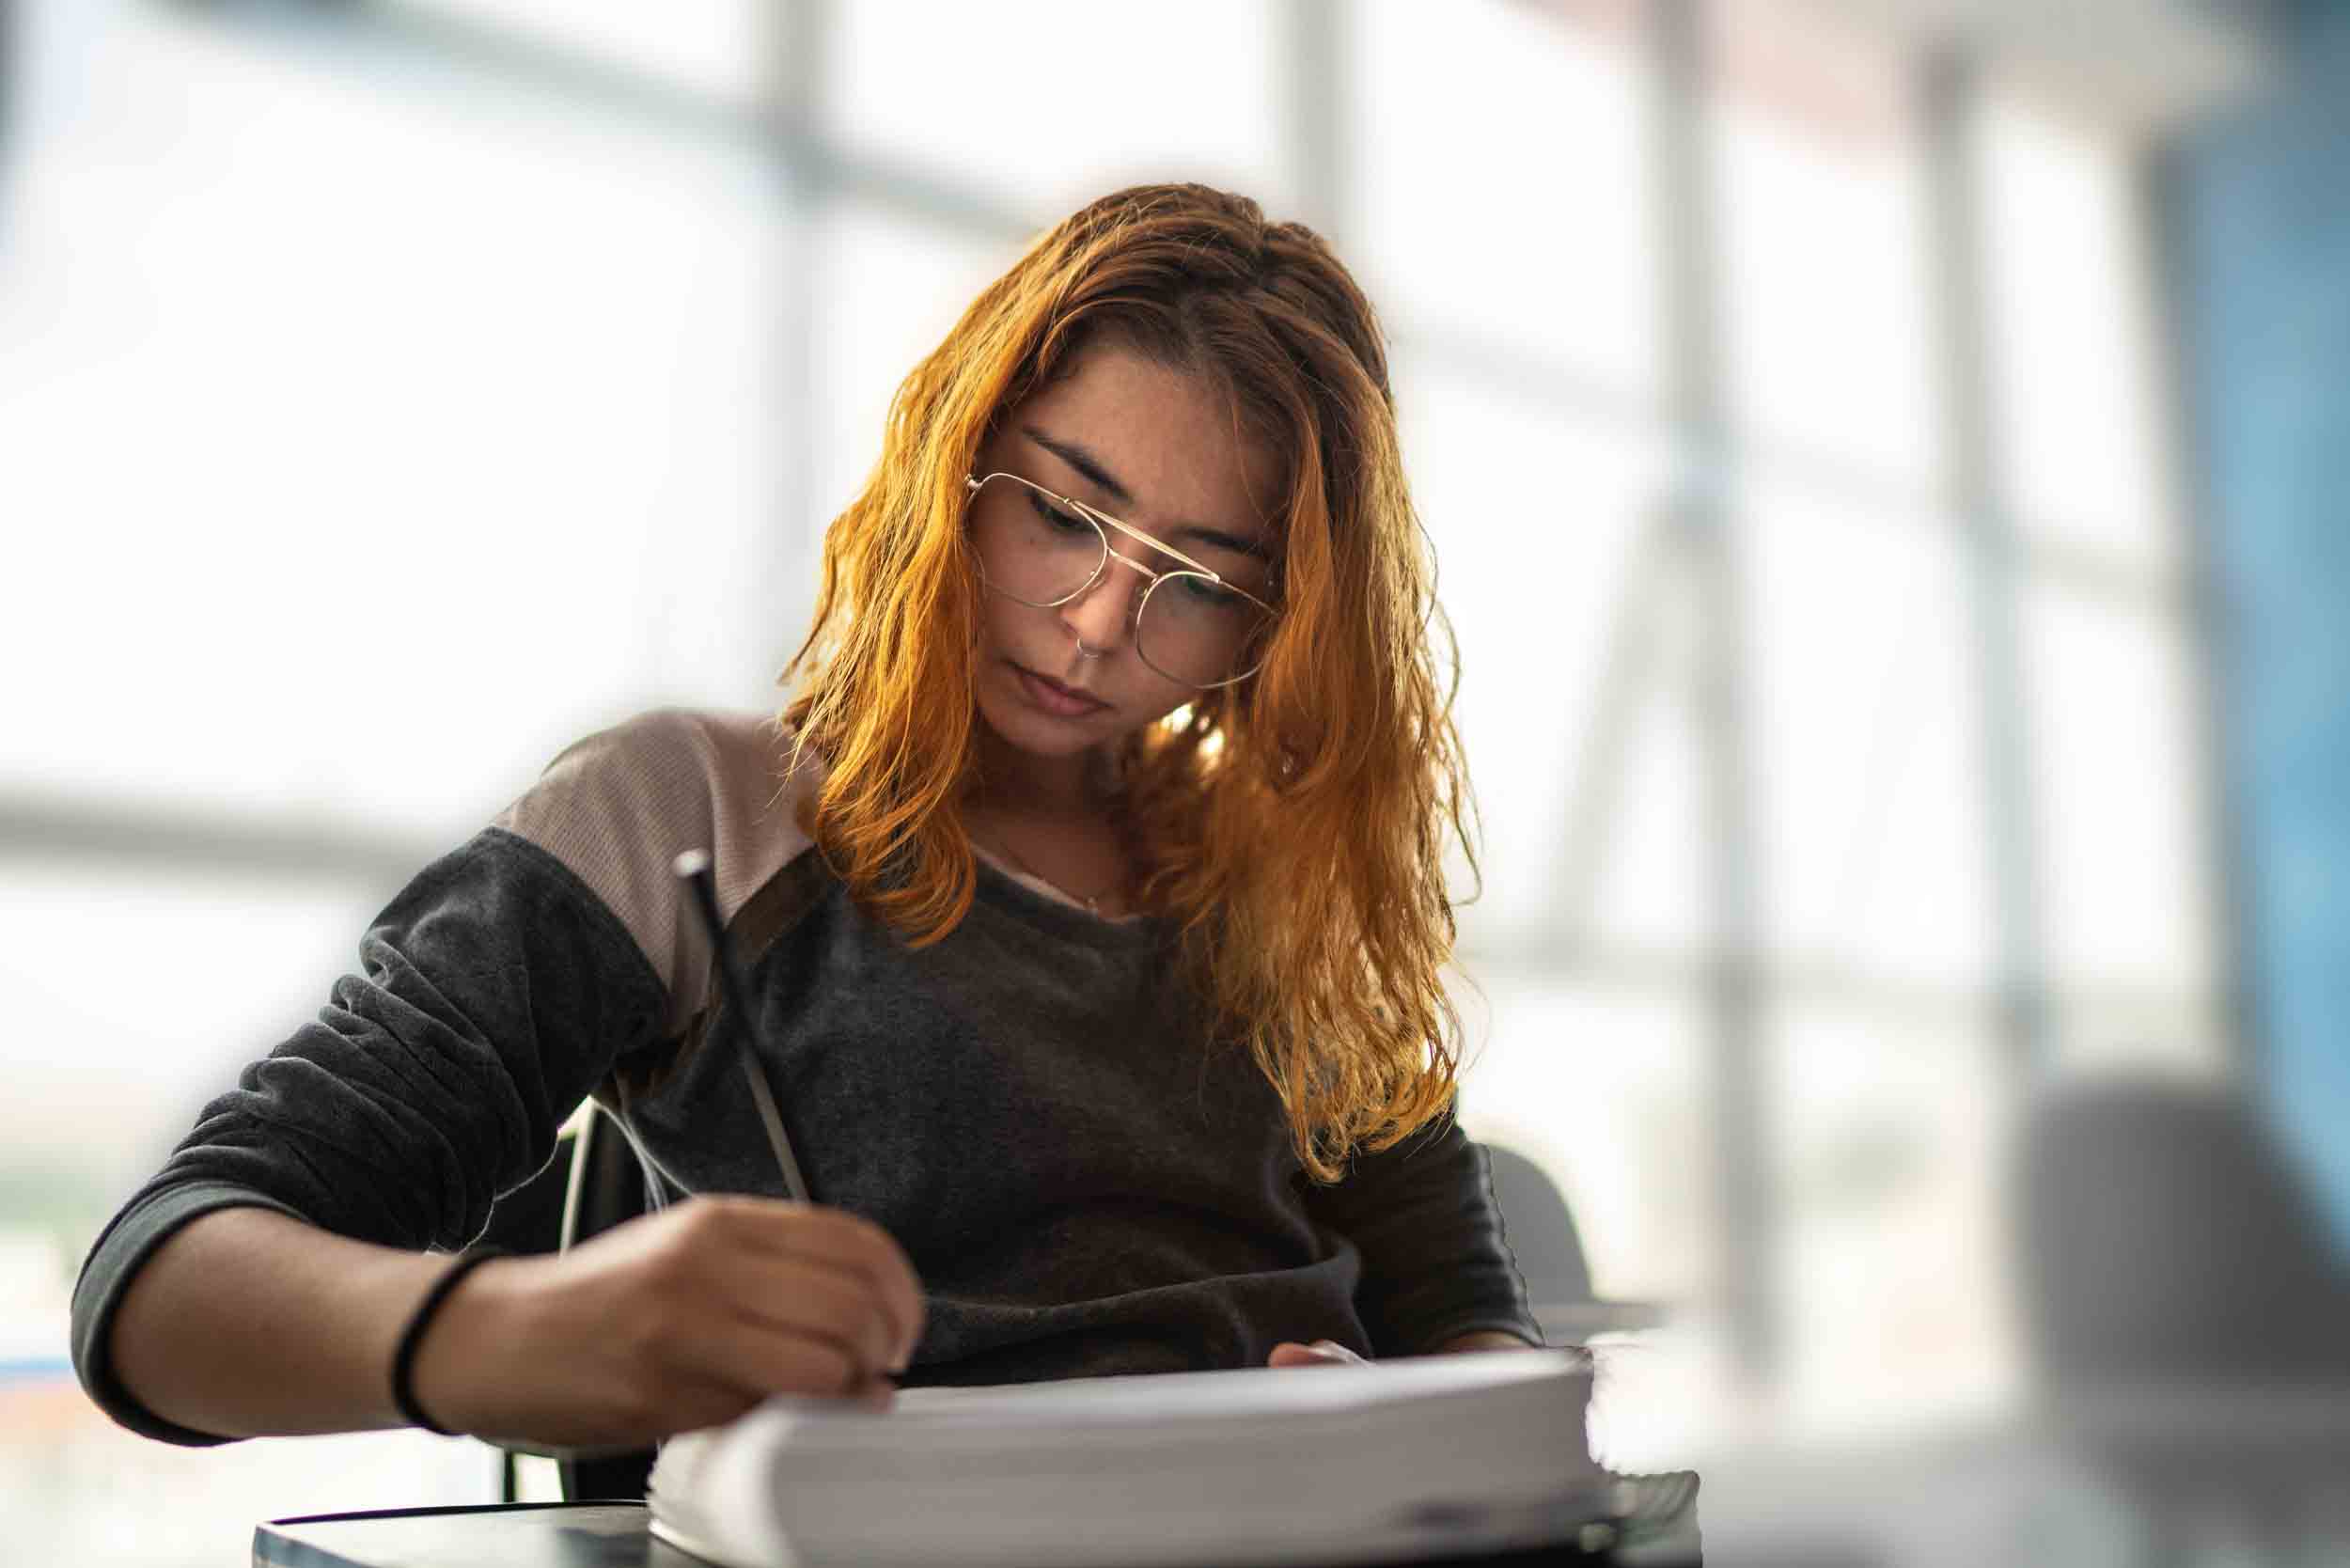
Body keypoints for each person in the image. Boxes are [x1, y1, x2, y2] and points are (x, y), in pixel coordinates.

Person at [70, 183, 1542, 1452]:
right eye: (1059, 513)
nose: (1099, 625)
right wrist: (503, 1336)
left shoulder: (1289, 890)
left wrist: (1395, 1422)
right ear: (945, 469)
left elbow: (1470, 1323)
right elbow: (156, 1285)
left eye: (1203, 583)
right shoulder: (689, 813)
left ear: (1281, 630)